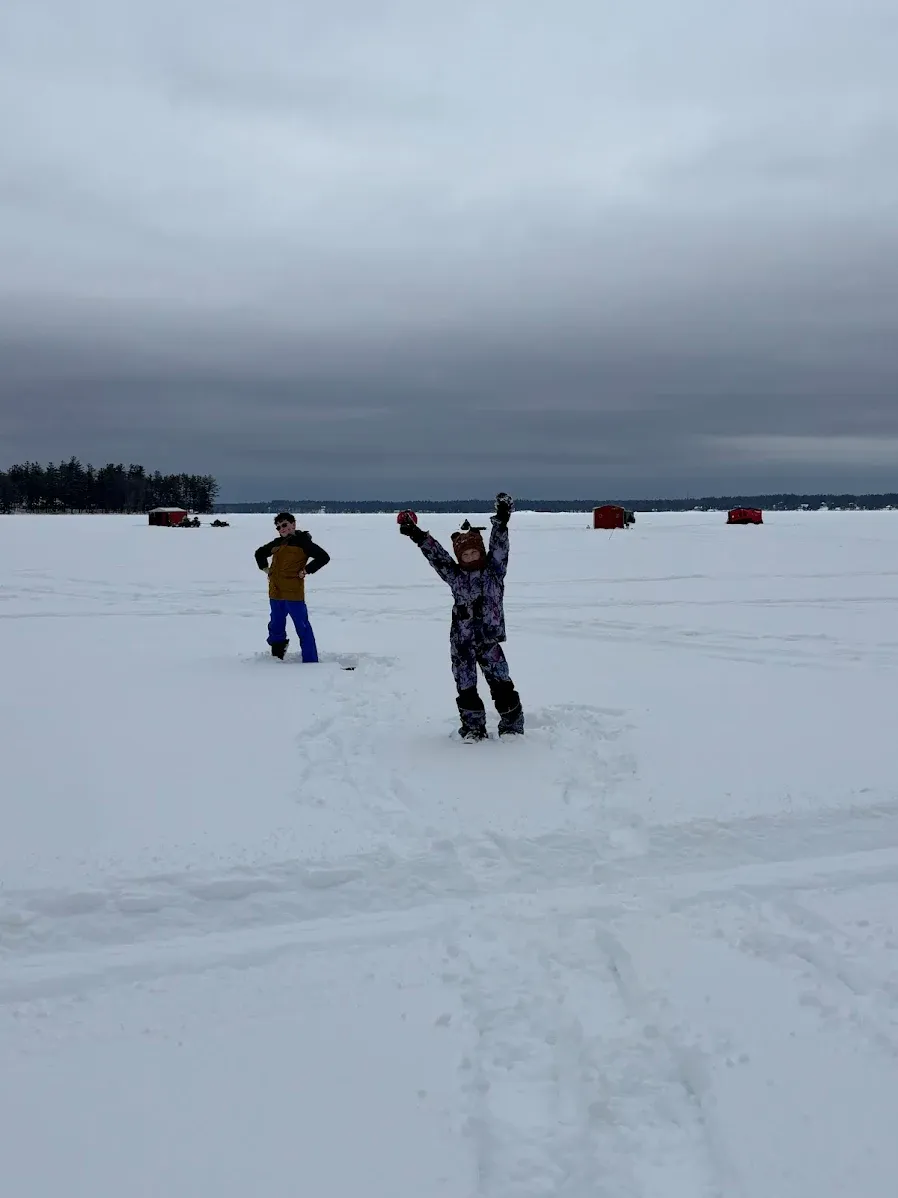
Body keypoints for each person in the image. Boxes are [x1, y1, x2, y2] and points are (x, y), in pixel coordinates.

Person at [398, 493, 524, 740]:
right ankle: (474, 728)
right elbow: (438, 557)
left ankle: (511, 726)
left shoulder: (494, 573)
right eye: (464, 556)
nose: (470, 558)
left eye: (474, 554)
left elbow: (499, 548)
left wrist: (501, 519)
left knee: (501, 684)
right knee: (466, 687)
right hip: (462, 643)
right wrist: (417, 535)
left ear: (481, 553)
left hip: (489, 642)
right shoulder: (455, 577)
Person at [254, 513, 330, 661]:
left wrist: (306, 570)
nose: (281, 529)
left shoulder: (304, 543)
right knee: (276, 624)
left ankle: (310, 660)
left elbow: (323, 557)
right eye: (278, 527)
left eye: (284, 525)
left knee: (302, 626)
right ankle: (277, 654)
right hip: (275, 591)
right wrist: (265, 569)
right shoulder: (277, 543)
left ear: (293, 524)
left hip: (293, 592)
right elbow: (259, 553)